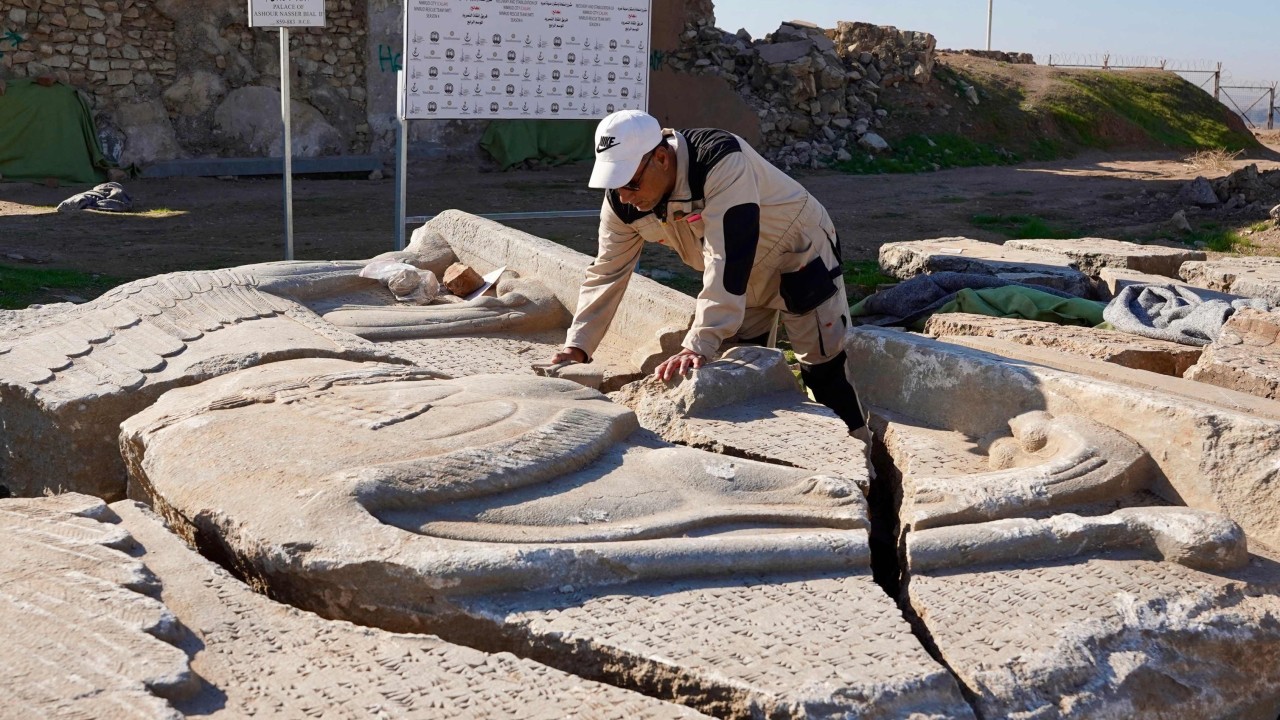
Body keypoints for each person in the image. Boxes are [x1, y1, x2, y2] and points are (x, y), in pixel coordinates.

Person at [547, 109, 865, 432]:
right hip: (739, 277)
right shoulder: (622, 200)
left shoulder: (719, 160)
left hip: (799, 254)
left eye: (630, 182)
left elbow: (726, 255)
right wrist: (578, 347)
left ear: (661, 158)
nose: (625, 197)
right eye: (614, 184)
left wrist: (698, 343)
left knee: (825, 372)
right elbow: (607, 271)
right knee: (745, 373)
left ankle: (861, 455)